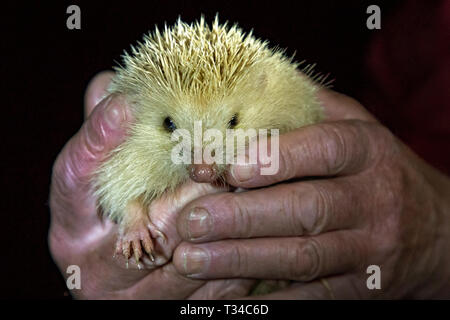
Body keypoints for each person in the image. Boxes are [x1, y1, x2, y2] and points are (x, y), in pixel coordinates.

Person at [49, 2, 450, 299]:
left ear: (260, 89)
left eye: (231, 124)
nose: (202, 162)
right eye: (172, 126)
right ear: (137, 110)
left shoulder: (279, 93)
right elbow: (121, 191)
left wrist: (434, 238)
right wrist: (133, 221)